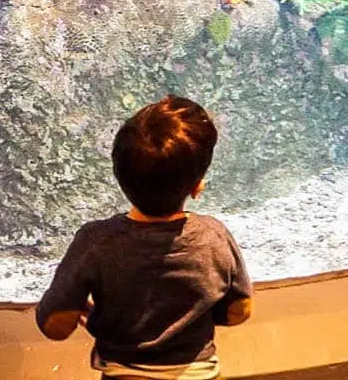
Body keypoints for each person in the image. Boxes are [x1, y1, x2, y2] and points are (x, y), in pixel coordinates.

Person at [35, 95, 253, 380]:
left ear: (118, 176)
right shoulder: (214, 236)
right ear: (198, 186)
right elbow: (240, 310)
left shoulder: (96, 241)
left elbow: (56, 325)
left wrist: (86, 315)